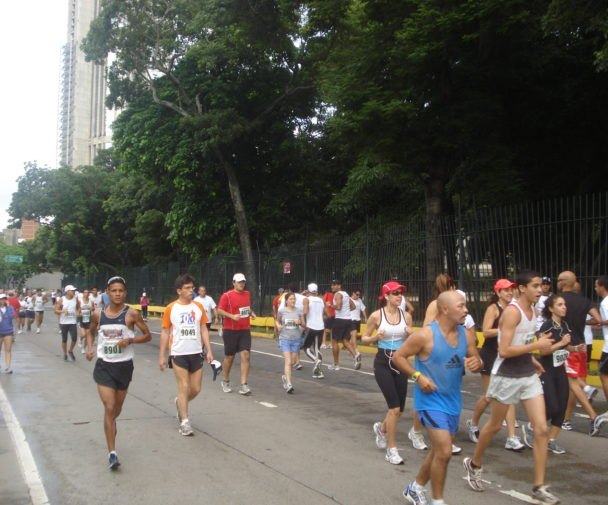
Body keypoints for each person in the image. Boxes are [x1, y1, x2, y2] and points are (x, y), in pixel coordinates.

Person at [463, 271, 559, 504]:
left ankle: (538, 486)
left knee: (541, 429)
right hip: (506, 376)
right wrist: (536, 346)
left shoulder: (534, 310)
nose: (540, 289)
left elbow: (523, 341)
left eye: (541, 285)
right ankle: (474, 464)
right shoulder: (512, 313)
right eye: (535, 286)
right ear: (522, 288)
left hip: (527, 375)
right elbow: (504, 350)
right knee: (495, 426)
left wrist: (532, 359)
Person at [394, 291, 482, 505]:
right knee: (444, 451)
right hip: (429, 401)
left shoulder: (466, 335)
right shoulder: (425, 335)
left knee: (438, 452)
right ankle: (438, 500)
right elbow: (398, 357)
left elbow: (476, 358)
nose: (466, 310)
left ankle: (415, 488)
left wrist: (477, 363)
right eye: (461, 306)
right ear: (445, 309)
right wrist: (418, 376)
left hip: (453, 401)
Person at [85, 276, 151, 469]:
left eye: (121, 291)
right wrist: (90, 348)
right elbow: (90, 331)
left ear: (125, 293)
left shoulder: (132, 314)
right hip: (104, 366)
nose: (117, 294)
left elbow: (147, 336)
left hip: (124, 367)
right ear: (107, 292)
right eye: (113, 290)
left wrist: (130, 340)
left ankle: (111, 424)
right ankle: (112, 453)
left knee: (116, 410)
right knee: (109, 406)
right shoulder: (98, 314)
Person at [467, 279, 524, 452]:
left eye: (511, 289)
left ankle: (512, 438)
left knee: (509, 396)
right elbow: (485, 331)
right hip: (490, 355)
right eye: (505, 290)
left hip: (506, 356)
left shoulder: (514, 309)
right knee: (488, 396)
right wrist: (504, 329)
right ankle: (473, 423)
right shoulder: (493, 308)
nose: (509, 292)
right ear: (498, 292)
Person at [362, 281, 412, 465]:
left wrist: (410, 334)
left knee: (399, 410)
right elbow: (364, 338)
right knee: (394, 408)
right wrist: (375, 337)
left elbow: (410, 342)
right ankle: (392, 450)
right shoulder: (376, 316)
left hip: (400, 361)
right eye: (395, 293)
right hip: (383, 362)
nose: (399, 296)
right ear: (386, 296)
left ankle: (382, 429)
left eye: (400, 293)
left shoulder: (406, 316)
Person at [159, 274, 213, 436]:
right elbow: (165, 331)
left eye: (192, 288)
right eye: (187, 288)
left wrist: (209, 350)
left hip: (196, 352)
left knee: (195, 389)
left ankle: (179, 402)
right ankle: (185, 422)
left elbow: (203, 329)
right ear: (179, 291)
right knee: (183, 386)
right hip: (178, 353)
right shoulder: (171, 308)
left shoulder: (198, 307)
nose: (191, 291)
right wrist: (162, 355)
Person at [521, 295, 573, 455]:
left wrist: (574, 348)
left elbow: (566, 348)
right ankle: (532, 426)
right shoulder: (547, 326)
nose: (564, 307)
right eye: (560, 304)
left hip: (560, 370)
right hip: (547, 370)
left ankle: (551, 440)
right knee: (553, 406)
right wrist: (562, 343)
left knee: (562, 405)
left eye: (564, 304)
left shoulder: (564, 325)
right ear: (551, 308)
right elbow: (543, 351)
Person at [557, 271, 605, 434]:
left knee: (571, 384)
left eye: (558, 280)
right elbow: (598, 320)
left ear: (563, 282)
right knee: (574, 386)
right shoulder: (585, 301)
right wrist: (584, 322)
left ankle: (590, 414)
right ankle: (567, 420)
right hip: (582, 347)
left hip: (565, 347)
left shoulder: (557, 301)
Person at [216, 273, 256, 395]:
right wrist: (232, 316)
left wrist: (251, 312)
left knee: (246, 355)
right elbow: (219, 310)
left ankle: (244, 385)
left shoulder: (247, 294)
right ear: (233, 283)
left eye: (243, 282)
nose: (241, 284)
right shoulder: (226, 296)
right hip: (230, 330)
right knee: (230, 357)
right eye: (239, 282)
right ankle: (225, 380)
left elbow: (246, 308)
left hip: (244, 330)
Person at [328, 279, 361, 371]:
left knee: (334, 342)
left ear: (339, 286)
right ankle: (356, 356)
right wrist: (346, 311)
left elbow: (338, 307)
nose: (332, 286)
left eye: (335, 284)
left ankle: (336, 364)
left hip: (340, 320)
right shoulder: (346, 294)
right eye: (332, 284)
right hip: (348, 320)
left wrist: (330, 305)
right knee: (345, 341)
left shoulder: (338, 294)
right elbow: (353, 306)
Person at [276, 292, 305, 393]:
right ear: (286, 301)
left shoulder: (299, 311)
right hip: (285, 339)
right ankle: (289, 384)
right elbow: (277, 321)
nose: (293, 300)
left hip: (296, 339)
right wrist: (278, 326)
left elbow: (304, 324)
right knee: (288, 362)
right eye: (291, 299)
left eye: (294, 299)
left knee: (292, 362)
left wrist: (300, 322)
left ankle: (285, 377)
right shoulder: (282, 311)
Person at [302, 283, 325, 379]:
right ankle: (319, 372)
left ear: (308, 291)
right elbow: (323, 313)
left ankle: (316, 360)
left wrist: (303, 319)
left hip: (311, 326)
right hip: (320, 326)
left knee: (306, 348)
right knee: (317, 349)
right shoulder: (321, 300)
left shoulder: (306, 299)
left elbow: (305, 311)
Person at [55, 285, 81, 362]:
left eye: (74, 290)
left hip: (72, 322)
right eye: (72, 290)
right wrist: (63, 311)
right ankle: (65, 353)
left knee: (74, 338)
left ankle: (70, 350)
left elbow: (78, 307)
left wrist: (78, 312)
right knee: (64, 339)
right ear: (67, 291)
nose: (73, 292)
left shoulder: (75, 299)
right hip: (63, 322)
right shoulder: (62, 300)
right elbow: (56, 310)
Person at [594, 276, 608, 408]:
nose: (595, 288)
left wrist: (600, 322)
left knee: (604, 375)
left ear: (602, 286)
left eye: (596, 286)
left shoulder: (605, 302)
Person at [0, 293, 16, 373]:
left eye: (4, 299)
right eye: (1, 299)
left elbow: (12, 316)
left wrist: (8, 307)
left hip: (8, 331)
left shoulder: (10, 308)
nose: (3, 300)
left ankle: (8, 367)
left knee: (8, 350)